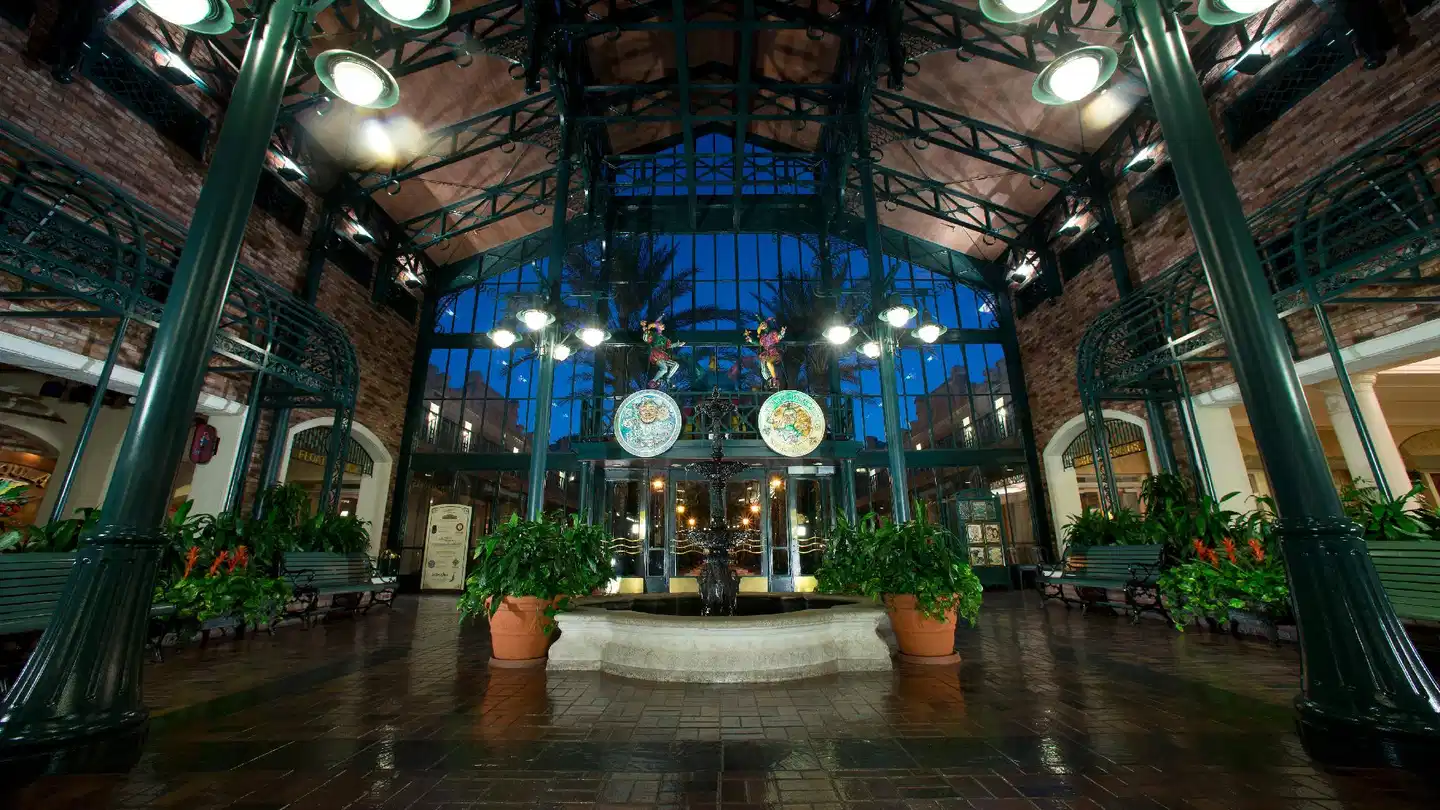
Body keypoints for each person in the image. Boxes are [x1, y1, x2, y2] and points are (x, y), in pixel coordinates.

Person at [641, 318, 684, 388]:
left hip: (663, 356)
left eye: (663, 325)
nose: (663, 326)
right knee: (664, 369)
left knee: (675, 365)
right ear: (657, 327)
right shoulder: (653, 334)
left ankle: (667, 378)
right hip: (656, 355)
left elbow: (669, 345)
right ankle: (653, 381)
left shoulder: (664, 338)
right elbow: (646, 339)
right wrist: (645, 329)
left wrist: (678, 344)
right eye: (661, 325)